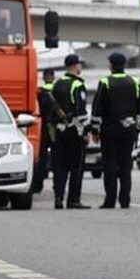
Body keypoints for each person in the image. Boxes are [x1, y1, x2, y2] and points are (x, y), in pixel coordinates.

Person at [93, 51, 140, 208]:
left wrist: (95, 130)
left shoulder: (105, 82)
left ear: (111, 66)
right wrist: (137, 129)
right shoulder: (135, 82)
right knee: (125, 165)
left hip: (109, 131)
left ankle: (110, 200)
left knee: (109, 165)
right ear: (125, 65)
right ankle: (125, 200)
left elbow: (97, 108)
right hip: (128, 131)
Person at [50, 54, 91, 209]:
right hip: (74, 131)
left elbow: (52, 109)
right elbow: (81, 112)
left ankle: (58, 198)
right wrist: (86, 131)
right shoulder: (77, 85)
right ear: (75, 66)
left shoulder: (58, 83)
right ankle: (73, 200)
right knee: (76, 167)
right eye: (80, 64)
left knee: (59, 166)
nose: (81, 67)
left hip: (59, 131)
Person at [31, 69, 56, 193]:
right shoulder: (58, 89)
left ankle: (37, 185)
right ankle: (58, 186)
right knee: (57, 158)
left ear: (44, 77)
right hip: (55, 128)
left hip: (42, 127)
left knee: (41, 157)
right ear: (53, 77)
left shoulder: (38, 92)